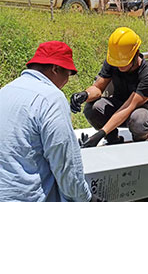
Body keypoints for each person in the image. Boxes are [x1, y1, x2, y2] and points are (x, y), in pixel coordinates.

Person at [0, 41, 95, 202]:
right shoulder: (51, 98)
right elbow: (66, 166)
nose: (67, 81)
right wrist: (86, 199)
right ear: (55, 69)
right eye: (68, 74)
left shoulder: (6, 90)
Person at [70, 27, 148, 147]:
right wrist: (84, 95)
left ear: (136, 53)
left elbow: (129, 106)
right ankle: (113, 140)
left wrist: (100, 133)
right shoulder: (114, 61)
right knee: (92, 108)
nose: (119, 67)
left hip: (140, 109)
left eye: (123, 63)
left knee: (139, 120)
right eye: (117, 64)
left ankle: (140, 142)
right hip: (118, 103)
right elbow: (98, 88)